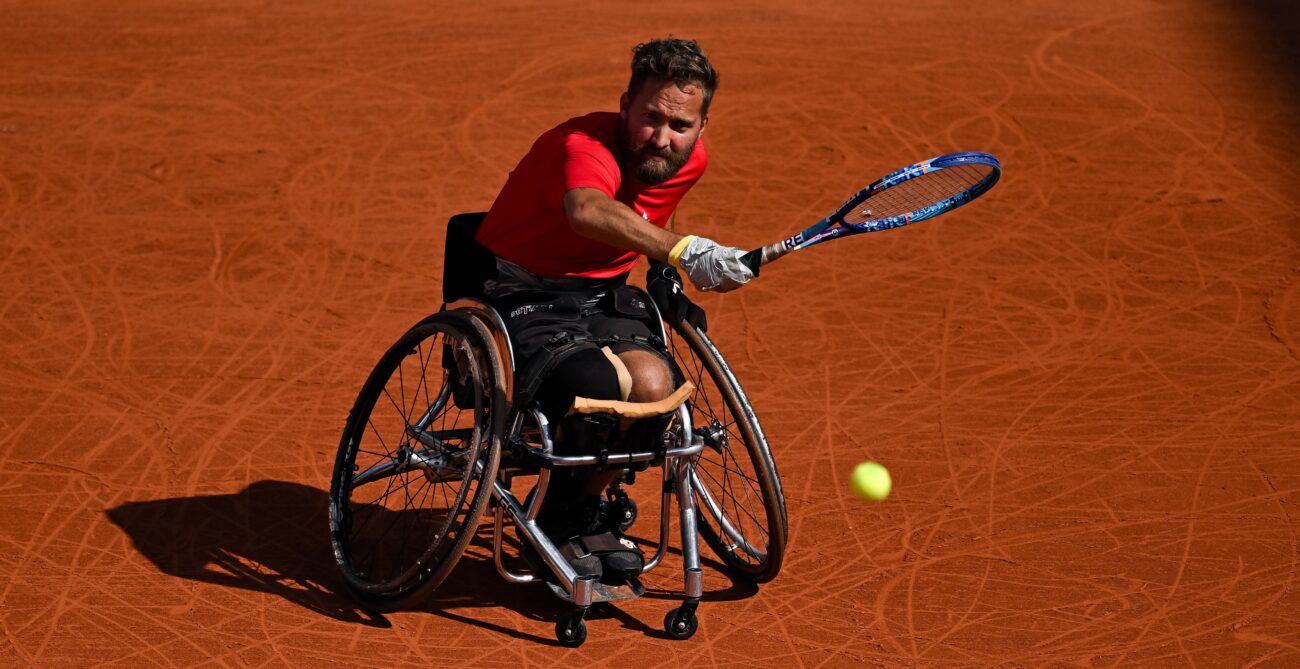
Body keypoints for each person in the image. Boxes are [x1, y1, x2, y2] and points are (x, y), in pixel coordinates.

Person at [472, 38, 753, 584]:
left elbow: (652, 213)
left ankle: (571, 511)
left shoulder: (686, 160)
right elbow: (588, 210)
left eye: (680, 126)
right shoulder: (583, 145)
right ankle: (560, 521)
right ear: (625, 106)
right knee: (598, 382)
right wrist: (684, 250)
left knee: (654, 383)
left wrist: (665, 275)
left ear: (702, 126)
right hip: (523, 291)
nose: (662, 137)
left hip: (604, 294)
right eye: (650, 117)